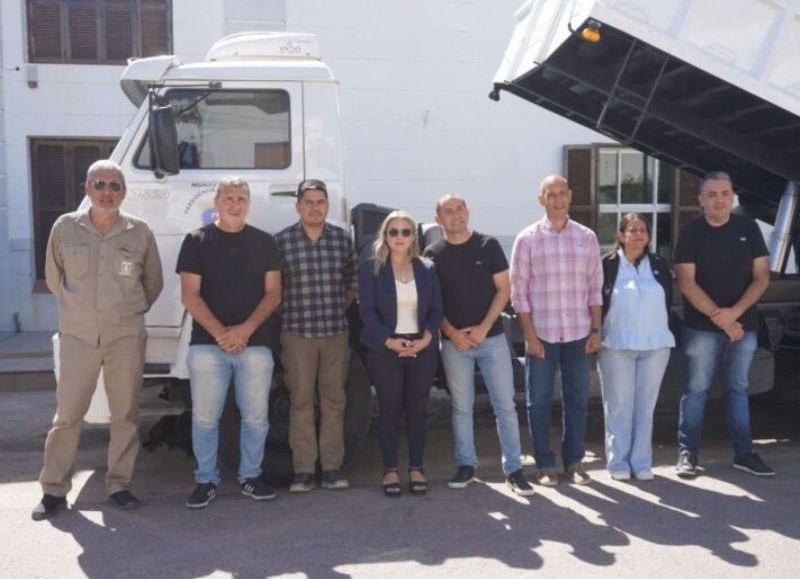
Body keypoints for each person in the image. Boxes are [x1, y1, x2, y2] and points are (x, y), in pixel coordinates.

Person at [33, 160, 163, 520]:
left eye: (115, 185)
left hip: (125, 336)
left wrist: (125, 313)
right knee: (68, 415)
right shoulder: (65, 228)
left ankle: (120, 485)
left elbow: (153, 283)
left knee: (125, 414)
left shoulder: (140, 232)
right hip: (78, 336)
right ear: (87, 188)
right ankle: (54, 490)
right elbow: (54, 278)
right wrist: (81, 314)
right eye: (100, 184)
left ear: (124, 192)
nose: (107, 191)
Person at [177, 177, 282, 509]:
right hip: (207, 346)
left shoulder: (266, 243)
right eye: (228, 198)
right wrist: (224, 334)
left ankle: (250, 476)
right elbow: (189, 296)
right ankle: (206, 481)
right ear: (216, 202)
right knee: (206, 419)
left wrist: (245, 331)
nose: (235, 204)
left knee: (256, 417)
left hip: (256, 345)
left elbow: (273, 294)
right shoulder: (196, 241)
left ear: (249, 203)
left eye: (241, 198)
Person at [424, 194, 534, 496]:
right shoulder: (432, 253)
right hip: (454, 343)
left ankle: (514, 469)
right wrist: (451, 332)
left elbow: (503, 290)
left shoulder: (488, 246)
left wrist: (483, 329)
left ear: (468, 212)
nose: (455, 215)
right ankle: (466, 465)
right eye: (448, 212)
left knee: (505, 406)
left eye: (459, 209)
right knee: (461, 407)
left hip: (492, 339)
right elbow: (432, 301)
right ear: (438, 219)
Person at [674, 171, 773, 478]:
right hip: (701, 329)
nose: (719, 200)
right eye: (713, 194)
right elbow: (686, 284)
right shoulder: (691, 233)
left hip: (743, 327)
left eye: (725, 194)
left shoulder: (749, 229)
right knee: (696, 389)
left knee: (738, 389)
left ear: (733, 197)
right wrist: (722, 317)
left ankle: (744, 453)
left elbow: (762, 277)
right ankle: (687, 453)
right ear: (701, 199)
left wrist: (735, 314)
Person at [510, 175, 603, 486]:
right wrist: (529, 336)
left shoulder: (587, 237)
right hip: (542, 337)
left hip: (578, 334)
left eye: (563, 193)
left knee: (577, 399)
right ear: (541, 199)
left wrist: (596, 330)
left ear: (570, 196)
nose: (558, 200)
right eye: (552, 195)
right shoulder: (527, 239)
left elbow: (595, 288)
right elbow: (518, 293)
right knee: (538, 402)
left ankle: (574, 462)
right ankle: (545, 465)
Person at [276, 179, 358, 492]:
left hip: (335, 332)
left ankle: (332, 468)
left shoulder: (341, 240)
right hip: (297, 334)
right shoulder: (281, 242)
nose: (314, 207)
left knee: (334, 401)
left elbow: (352, 284)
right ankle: (304, 470)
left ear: (327, 205)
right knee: (300, 401)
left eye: (320, 202)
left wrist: (337, 307)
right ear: (298, 206)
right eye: (308, 201)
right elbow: (273, 288)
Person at [359, 211, 443, 497]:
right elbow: (366, 310)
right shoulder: (373, 268)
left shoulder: (427, 268)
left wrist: (426, 339)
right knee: (389, 411)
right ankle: (390, 470)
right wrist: (389, 340)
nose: (399, 237)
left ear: (413, 237)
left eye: (406, 232)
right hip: (385, 350)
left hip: (422, 348)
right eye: (393, 232)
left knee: (418, 411)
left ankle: (417, 468)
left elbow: (437, 310)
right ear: (385, 235)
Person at [598, 213, 675, 481]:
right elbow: (597, 301)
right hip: (616, 343)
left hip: (655, 344)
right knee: (619, 406)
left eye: (643, 230)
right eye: (632, 230)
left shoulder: (659, 264)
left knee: (646, 406)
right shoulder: (606, 264)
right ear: (621, 235)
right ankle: (618, 462)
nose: (638, 234)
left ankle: (641, 463)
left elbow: (667, 299)